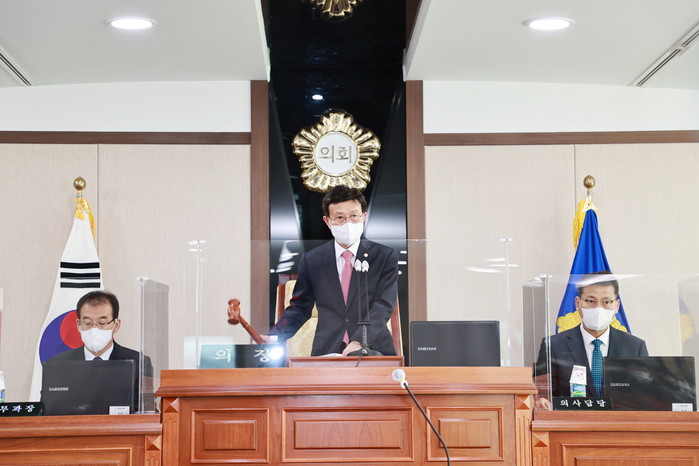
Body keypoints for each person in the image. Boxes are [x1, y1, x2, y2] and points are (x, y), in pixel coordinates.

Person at [266, 185, 399, 356]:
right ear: (327, 221)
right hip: (327, 350)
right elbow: (299, 308)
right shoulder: (312, 260)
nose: (348, 223)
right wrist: (275, 336)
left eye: (354, 216)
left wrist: (359, 341)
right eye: (340, 218)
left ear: (364, 216)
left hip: (373, 349)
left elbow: (383, 305)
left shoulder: (384, 256)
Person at [536, 272, 648, 408]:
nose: (598, 308)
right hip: (571, 421)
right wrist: (542, 401)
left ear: (617, 306)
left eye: (607, 302)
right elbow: (542, 396)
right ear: (578, 303)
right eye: (590, 301)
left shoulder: (635, 347)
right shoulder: (553, 346)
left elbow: (645, 398)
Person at [45, 290, 152, 410]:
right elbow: (48, 410)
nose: (94, 329)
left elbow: (147, 410)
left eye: (102, 323)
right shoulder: (58, 364)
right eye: (87, 323)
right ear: (78, 325)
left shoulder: (139, 362)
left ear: (116, 325)